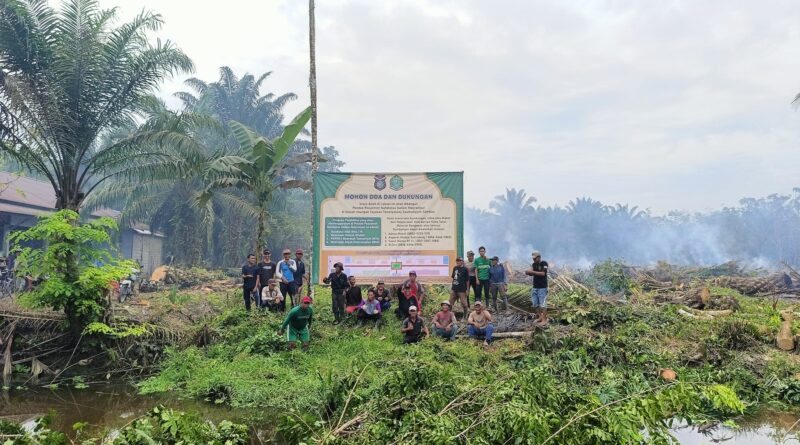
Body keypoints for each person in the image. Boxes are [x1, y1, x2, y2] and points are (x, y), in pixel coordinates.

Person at [525, 251, 549, 326]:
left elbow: (543, 273)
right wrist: (528, 272)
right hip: (535, 287)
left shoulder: (544, 263)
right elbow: (531, 273)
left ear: (539, 257)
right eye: (533, 259)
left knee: (543, 305)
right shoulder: (534, 264)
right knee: (535, 304)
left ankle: (544, 320)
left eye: (535, 258)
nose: (534, 260)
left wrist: (532, 272)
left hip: (542, 288)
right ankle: (540, 317)